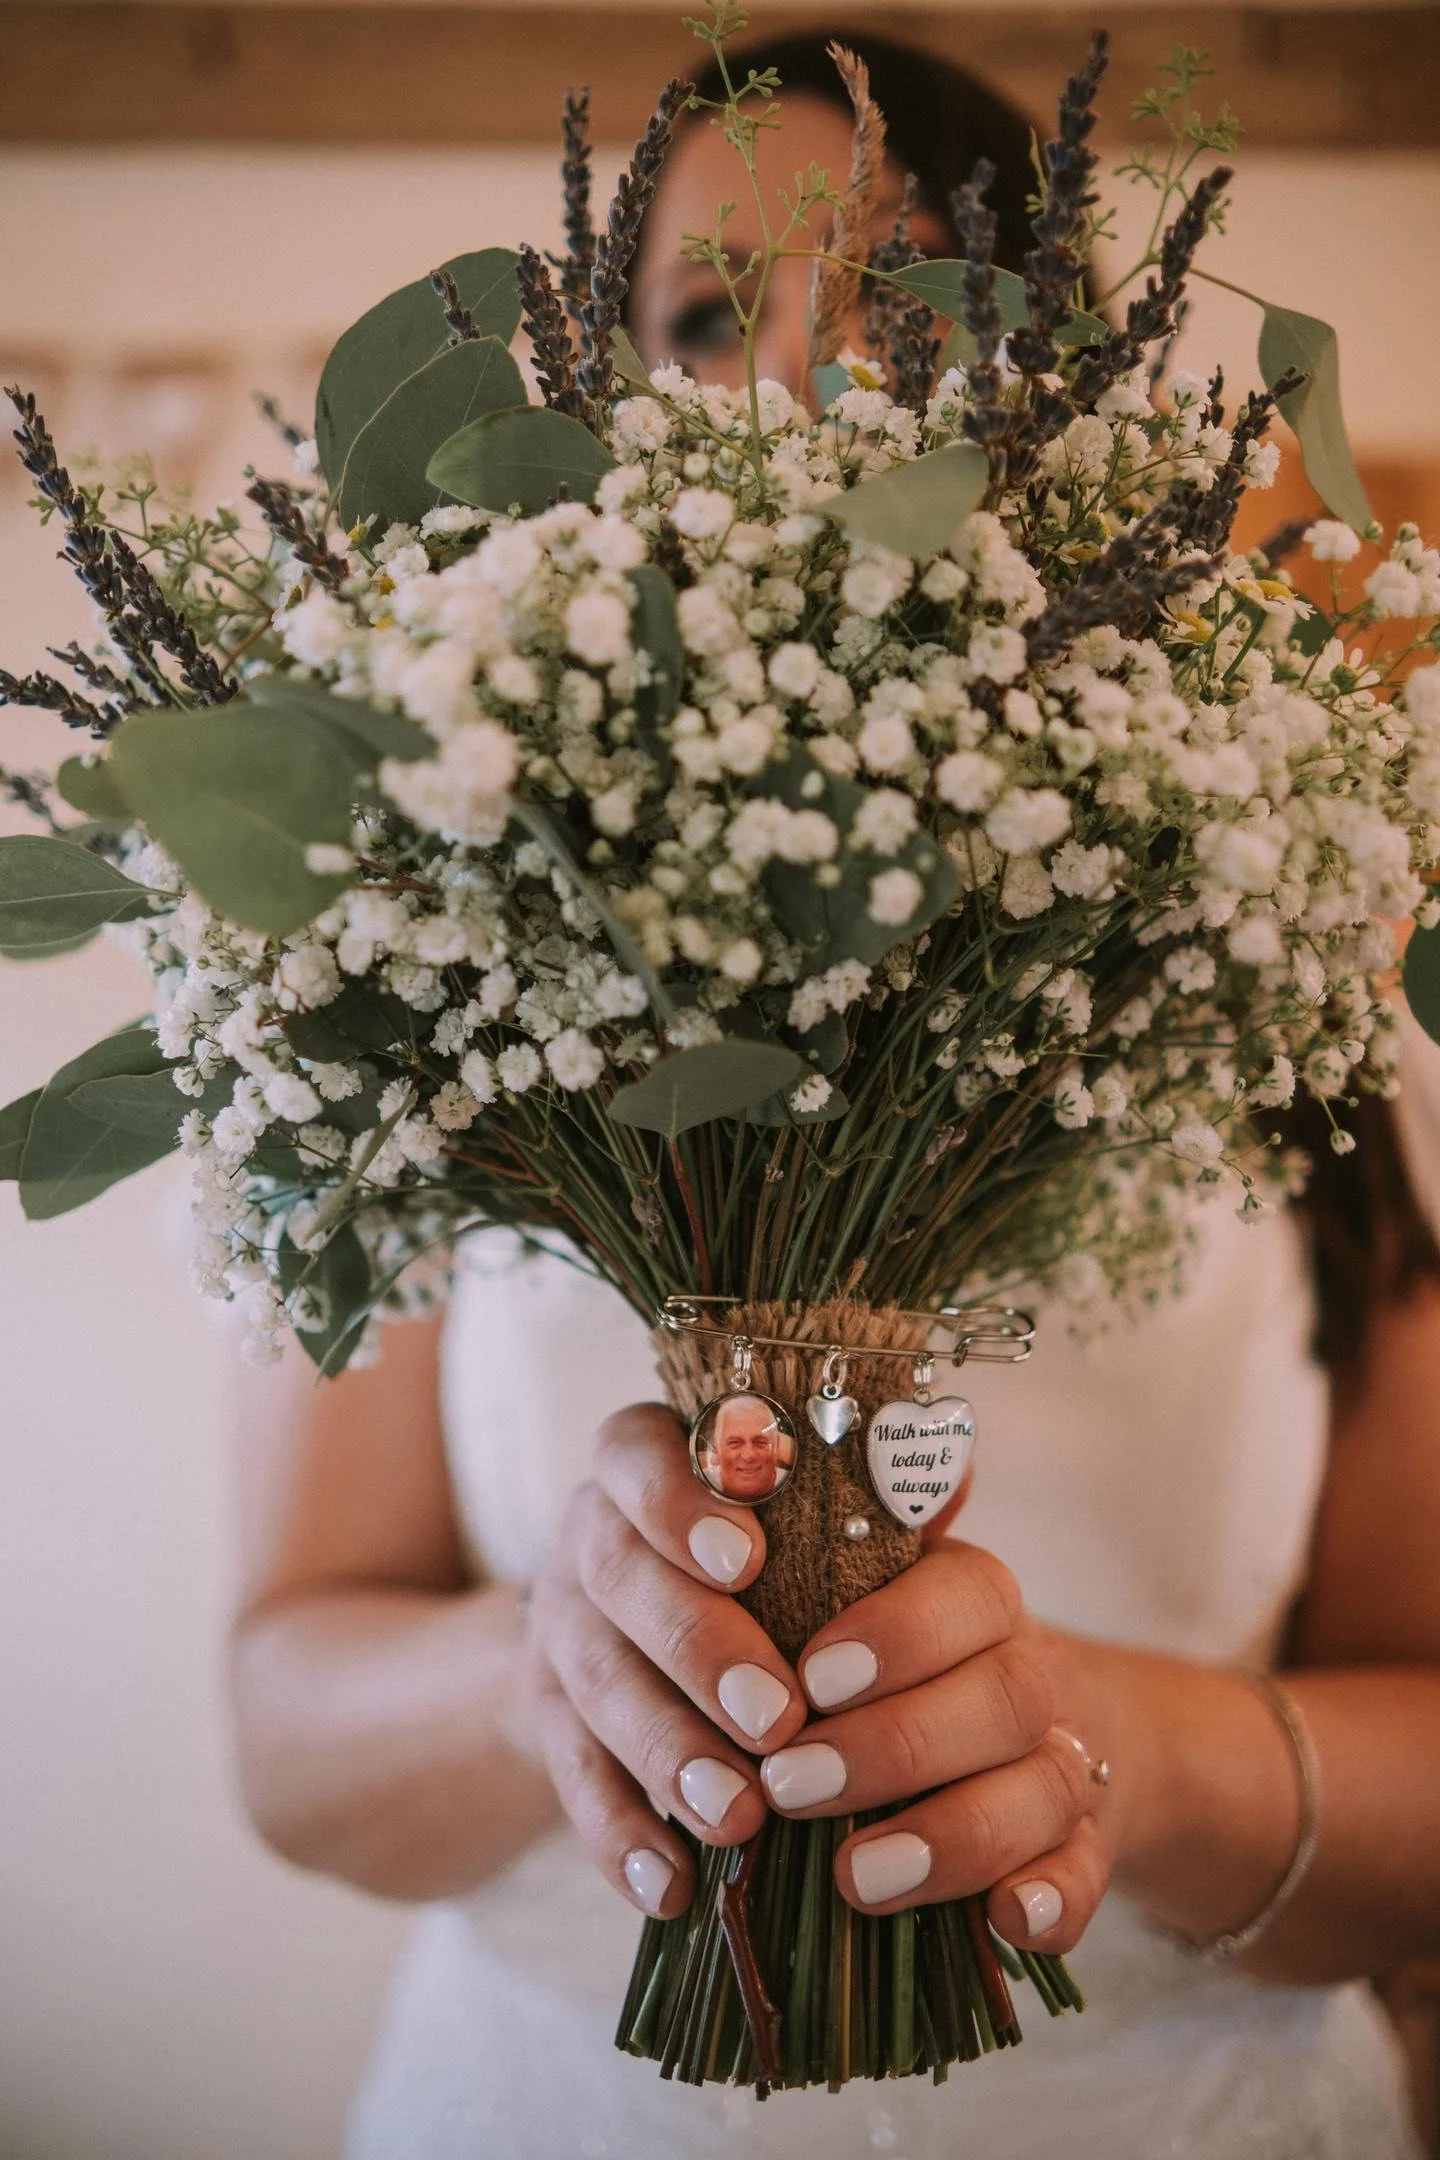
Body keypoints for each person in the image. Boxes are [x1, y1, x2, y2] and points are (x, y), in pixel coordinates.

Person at [227, 31, 1440, 2160]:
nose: (802, 387)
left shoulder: (1273, 934)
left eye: (903, 307)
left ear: (1061, 381)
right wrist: (549, 1672)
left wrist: (1111, 1755)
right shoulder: (426, 951)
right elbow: (282, 1727)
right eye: (706, 316)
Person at [699, 1395, 790, 1503]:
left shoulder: (792, 1483)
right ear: (717, 1447)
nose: (749, 1455)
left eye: (760, 1442)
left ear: (777, 1445)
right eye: (735, 1443)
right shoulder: (697, 1487)